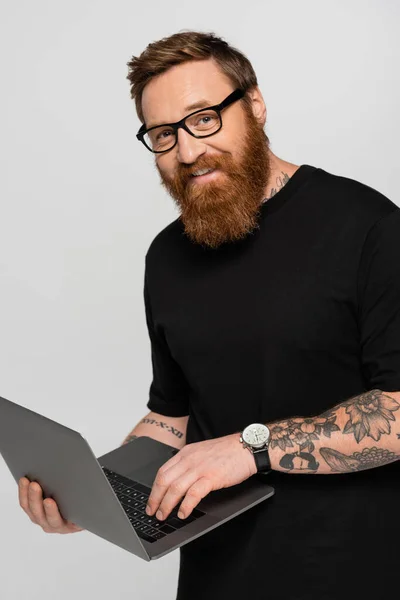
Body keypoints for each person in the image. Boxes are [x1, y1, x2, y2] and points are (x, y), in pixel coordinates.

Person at [18, 30, 399, 600]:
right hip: (214, 577)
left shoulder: (369, 228)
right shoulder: (167, 256)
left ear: (255, 104)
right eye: (165, 134)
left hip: (350, 571)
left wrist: (250, 447)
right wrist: (97, 497)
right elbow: (170, 417)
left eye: (204, 118)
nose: (188, 151)